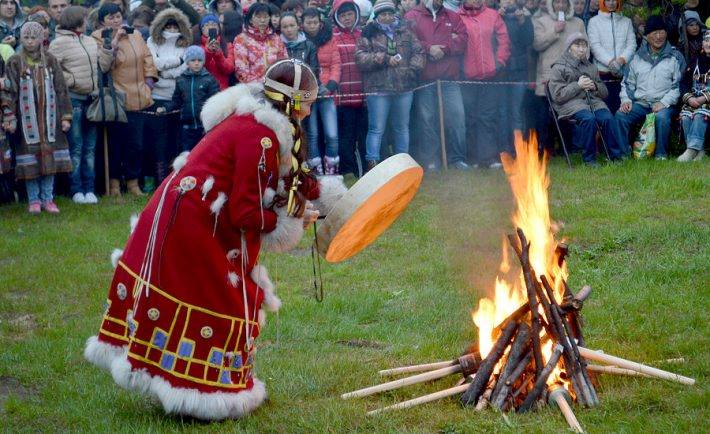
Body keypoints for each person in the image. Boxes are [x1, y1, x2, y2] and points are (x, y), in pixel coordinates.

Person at [84, 58, 345, 421]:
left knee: (210, 296)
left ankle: (192, 390)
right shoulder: (262, 138)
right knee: (219, 298)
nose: (310, 109)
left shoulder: (257, 120)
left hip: (190, 212)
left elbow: (288, 178)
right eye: (307, 102)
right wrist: (292, 218)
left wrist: (322, 199)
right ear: (293, 104)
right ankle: (201, 396)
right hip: (192, 222)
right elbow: (246, 213)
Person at [2, 22, 73, 214]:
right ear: (22, 38)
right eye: (26, 37)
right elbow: (9, 91)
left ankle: (48, 199)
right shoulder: (15, 61)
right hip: (27, 124)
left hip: (51, 122)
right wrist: (9, 116)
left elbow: (61, 89)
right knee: (30, 162)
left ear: (41, 39)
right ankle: (33, 200)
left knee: (49, 161)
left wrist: (66, 116)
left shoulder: (50, 60)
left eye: (34, 37)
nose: (30, 41)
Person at [49, 6, 113, 205]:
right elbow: (51, 69)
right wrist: (73, 79)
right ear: (76, 21)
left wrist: (107, 50)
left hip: (91, 100)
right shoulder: (58, 43)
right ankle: (76, 190)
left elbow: (102, 66)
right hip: (73, 100)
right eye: (84, 19)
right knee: (76, 148)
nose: (87, 22)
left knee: (90, 148)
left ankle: (89, 189)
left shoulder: (90, 41)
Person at [92, 3, 158, 196]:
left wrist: (149, 82)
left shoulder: (136, 34)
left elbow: (147, 58)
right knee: (115, 144)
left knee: (135, 144)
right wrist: (115, 40)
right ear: (102, 21)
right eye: (110, 17)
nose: (115, 20)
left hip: (138, 95)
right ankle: (113, 185)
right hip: (116, 97)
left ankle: (132, 183)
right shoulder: (98, 37)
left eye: (118, 16)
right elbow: (104, 65)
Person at [355, 0, 425, 170]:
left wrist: (412, 70)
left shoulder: (405, 31)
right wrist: (384, 59)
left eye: (389, 13)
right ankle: (372, 165)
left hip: (404, 87)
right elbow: (360, 58)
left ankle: (404, 165)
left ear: (394, 14)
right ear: (377, 16)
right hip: (378, 89)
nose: (386, 17)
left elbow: (419, 52)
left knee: (401, 127)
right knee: (376, 129)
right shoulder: (368, 33)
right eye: (382, 14)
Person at [406, 0, 468, 171]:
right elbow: (410, 42)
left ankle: (457, 159)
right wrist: (429, 48)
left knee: (457, 117)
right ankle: (431, 160)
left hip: (449, 78)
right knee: (427, 120)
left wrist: (445, 48)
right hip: (425, 79)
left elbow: (463, 39)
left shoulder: (453, 16)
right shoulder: (412, 16)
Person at [615, 15, 685, 160]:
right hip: (641, 103)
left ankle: (661, 155)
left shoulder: (675, 56)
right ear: (647, 36)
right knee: (621, 116)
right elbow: (627, 83)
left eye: (661, 32)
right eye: (654, 33)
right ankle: (622, 155)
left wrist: (664, 102)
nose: (658, 36)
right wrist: (626, 100)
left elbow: (679, 86)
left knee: (662, 118)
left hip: (665, 104)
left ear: (666, 33)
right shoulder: (636, 57)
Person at [548, 32, 623, 165]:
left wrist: (594, 86)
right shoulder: (558, 67)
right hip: (569, 104)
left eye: (584, 46)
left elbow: (604, 93)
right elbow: (558, 96)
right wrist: (578, 85)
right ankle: (589, 159)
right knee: (589, 119)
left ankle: (615, 157)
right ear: (569, 47)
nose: (582, 49)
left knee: (608, 118)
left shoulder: (591, 67)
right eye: (577, 45)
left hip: (592, 102)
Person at [459, 0, 510, 168]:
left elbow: (503, 40)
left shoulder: (493, 15)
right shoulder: (457, 17)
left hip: (490, 76)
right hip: (467, 77)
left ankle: (488, 158)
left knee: (488, 117)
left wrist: (500, 61)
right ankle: (473, 158)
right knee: (470, 118)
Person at [532, 0, 586, 154]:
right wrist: (554, 31)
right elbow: (537, 44)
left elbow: (585, 49)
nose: (560, 5)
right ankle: (545, 151)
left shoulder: (578, 23)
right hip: (547, 78)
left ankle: (567, 150)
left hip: (570, 78)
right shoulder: (541, 21)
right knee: (544, 118)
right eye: (557, 2)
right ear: (551, 4)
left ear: (569, 4)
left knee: (567, 117)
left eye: (564, 2)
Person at [146, 8, 192, 186]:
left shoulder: (185, 43)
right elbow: (153, 63)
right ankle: (158, 180)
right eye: (168, 26)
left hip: (176, 95)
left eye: (175, 26)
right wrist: (177, 62)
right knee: (158, 140)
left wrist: (165, 72)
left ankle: (172, 179)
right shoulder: (152, 41)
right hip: (156, 95)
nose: (172, 29)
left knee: (175, 139)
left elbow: (185, 66)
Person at [302, 7, 341, 175]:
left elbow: (335, 64)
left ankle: (332, 170)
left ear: (320, 23)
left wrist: (331, 86)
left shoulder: (329, 39)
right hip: (307, 94)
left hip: (326, 92)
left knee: (332, 134)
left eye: (315, 22)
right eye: (308, 22)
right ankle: (316, 172)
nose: (312, 25)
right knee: (312, 134)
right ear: (302, 24)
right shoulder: (299, 42)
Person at [331, 0, 366, 176]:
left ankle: (367, 170)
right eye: (343, 15)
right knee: (346, 136)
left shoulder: (363, 34)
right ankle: (348, 170)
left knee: (363, 134)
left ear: (356, 14)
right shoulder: (333, 37)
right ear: (337, 17)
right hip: (343, 96)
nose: (346, 18)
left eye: (349, 14)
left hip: (364, 94)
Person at [587, 0, 636, 114]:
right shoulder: (594, 22)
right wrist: (610, 62)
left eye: (614, 0)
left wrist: (621, 60)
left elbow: (632, 44)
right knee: (605, 111)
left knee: (622, 111)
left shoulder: (626, 21)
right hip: (602, 75)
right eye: (608, 0)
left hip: (623, 74)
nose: (612, 3)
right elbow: (594, 46)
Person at [171, 45, 220, 150]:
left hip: (204, 126)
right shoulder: (181, 80)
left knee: (204, 152)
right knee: (187, 154)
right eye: (193, 60)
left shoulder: (209, 80)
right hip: (187, 126)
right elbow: (176, 100)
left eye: (200, 60)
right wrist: (166, 107)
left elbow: (216, 102)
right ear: (187, 62)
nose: (197, 63)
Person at [500, 0, 534, 138]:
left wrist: (522, 22)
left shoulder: (524, 16)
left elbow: (529, 41)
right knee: (502, 112)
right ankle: (504, 149)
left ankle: (519, 150)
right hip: (500, 72)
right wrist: (499, 18)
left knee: (517, 111)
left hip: (519, 71)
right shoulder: (494, 15)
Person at [233, 3, 287, 83]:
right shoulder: (241, 40)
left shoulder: (276, 39)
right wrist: (263, 84)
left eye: (265, 17)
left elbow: (284, 63)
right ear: (250, 19)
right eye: (258, 17)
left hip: (276, 86)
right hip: (252, 89)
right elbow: (241, 71)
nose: (262, 20)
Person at [677, 30, 709, 162]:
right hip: (693, 100)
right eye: (706, 41)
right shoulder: (695, 60)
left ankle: (692, 150)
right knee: (685, 116)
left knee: (700, 115)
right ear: (702, 43)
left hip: (707, 101)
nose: (709, 44)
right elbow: (684, 83)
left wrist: (704, 98)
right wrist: (689, 98)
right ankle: (699, 151)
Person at [198, 14, 234, 89]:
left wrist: (218, 53)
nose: (211, 27)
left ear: (218, 28)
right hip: (203, 89)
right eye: (207, 25)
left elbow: (229, 69)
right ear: (202, 29)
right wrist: (208, 51)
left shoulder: (227, 46)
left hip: (222, 90)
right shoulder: (197, 47)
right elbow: (198, 68)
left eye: (214, 24)